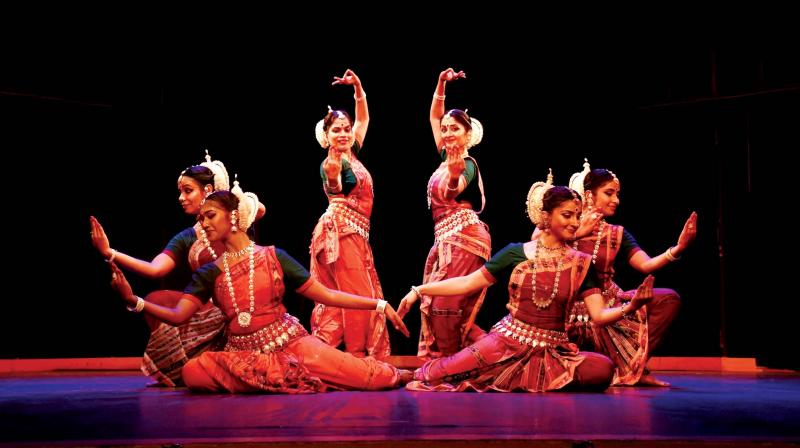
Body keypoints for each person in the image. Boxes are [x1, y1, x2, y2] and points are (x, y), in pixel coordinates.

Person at [109, 189, 412, 393]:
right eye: (201, 218)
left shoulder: (272, 256)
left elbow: (327, 295)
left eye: (210, 215)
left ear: (233, 217)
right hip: (242, 356)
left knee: (367, 378)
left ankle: (397, 375)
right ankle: (276, 378)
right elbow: (178, 316)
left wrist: (378, 305)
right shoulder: (210, 272)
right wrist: (133, 301)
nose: (204, 223)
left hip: (290, 346)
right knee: (193, 372)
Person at [397, 174, 655, 392]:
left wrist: (631, 307)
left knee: (603, 369)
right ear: (546, 216)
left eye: (577, 216)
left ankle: (522, 377)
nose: (575, 223)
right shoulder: (516, 253)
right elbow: (467, 283)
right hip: (506, 343)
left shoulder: (582, 263)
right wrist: (419, 290)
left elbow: (598, 315)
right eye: (567, 215)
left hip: (553, 351)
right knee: (437, 374)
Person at [90, 151, 264, 386]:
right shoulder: (186, 238)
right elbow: (155, 270)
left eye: (188, 190)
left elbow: (260, 209)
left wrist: (228, 200)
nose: (181, 197)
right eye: (180, 191)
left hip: (245, 305)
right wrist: (110, 253)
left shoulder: (234, 220)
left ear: (208, 190)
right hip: (211, 311)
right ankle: (188, 362)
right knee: (159, 299)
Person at [566, 159, 697, 386]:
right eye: (609, 193)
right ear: (589, 195)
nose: (616, 200)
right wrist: (576, 234)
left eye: (617, 194)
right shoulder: (565, 222)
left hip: (607, 308)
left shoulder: (617, 233)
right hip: (565, 315)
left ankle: (636, 367)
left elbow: (645, 265)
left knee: (667, 299)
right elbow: (538, 245)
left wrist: (678, 248)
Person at [309, 69, 390, 359]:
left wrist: (358, 88)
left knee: (351, 296)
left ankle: (327, 356)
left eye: (346, 129)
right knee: (357, 297)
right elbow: (335, 189)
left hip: (354, 234)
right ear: (326, 136)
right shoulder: (330, 163)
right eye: (336, 130)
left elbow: (364, 118)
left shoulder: (352, 154)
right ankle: (356, 358)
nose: (343, 133)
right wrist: (332, 179)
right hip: (340, 233)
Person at [415, 67, 491, 360]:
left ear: (468, 133)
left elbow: (452, 190)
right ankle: (482, 354)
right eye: (445, 128)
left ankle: (460, 361)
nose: (446, 132)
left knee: (444, 305)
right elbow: (434, 116)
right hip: (446, 239)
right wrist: (440, 83)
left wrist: (453, 180)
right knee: (442, 306)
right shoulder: (445, 158)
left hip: (465, 237)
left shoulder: (466, 163)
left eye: (454, 128)